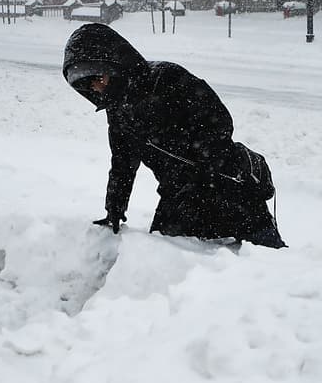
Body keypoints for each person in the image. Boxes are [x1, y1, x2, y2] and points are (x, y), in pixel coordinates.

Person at [63, 22, 285, 248]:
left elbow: (219, 120)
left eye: (99, 78)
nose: (97, 89)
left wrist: (204, 163)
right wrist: (115, 208)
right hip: (177, 194)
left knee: (264, 261)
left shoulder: (165, 78)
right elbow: (122, 163)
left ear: (114, 65)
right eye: (90, 85)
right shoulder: (118, 110)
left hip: (228, 184)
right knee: (167, 259)